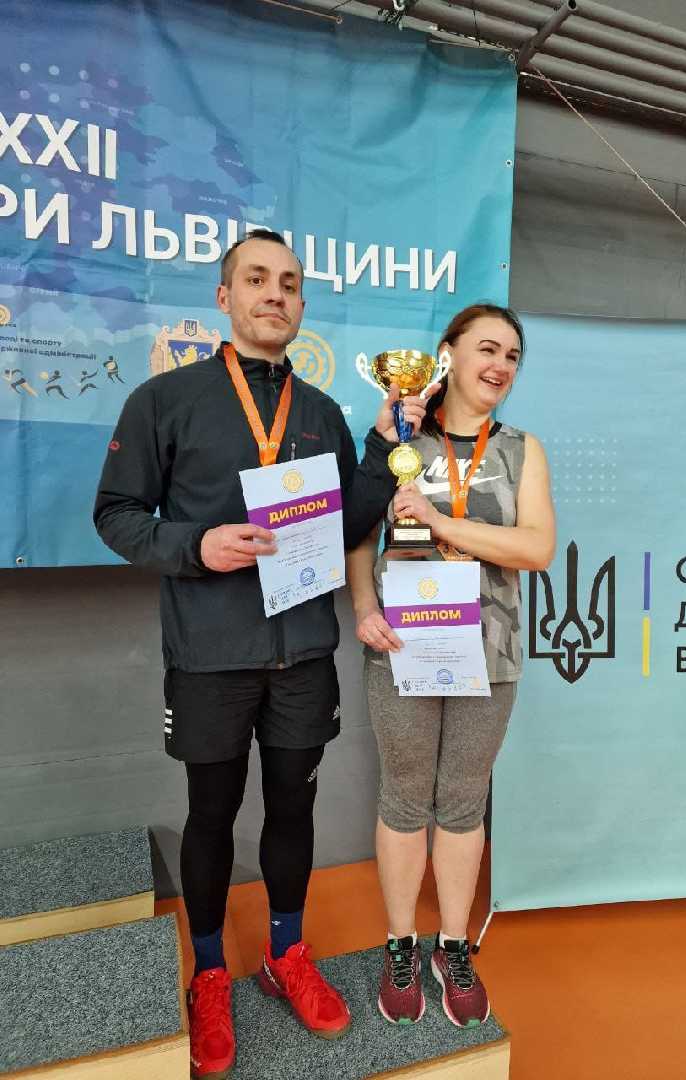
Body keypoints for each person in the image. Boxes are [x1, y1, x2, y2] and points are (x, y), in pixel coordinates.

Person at [94, 229, 431, 1078]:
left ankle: (286, 952)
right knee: (211, 815)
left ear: (302, 304)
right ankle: (210, 972)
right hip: (210, 655)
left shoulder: (319, 413)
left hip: (303, 654)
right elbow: (116, 513)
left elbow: (350, 522)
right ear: (225, 296)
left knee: (292, 811)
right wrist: (195, 546)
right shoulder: (165, 400)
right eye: (256, 279)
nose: (274, 294)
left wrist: (384, 450)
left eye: (288, 282)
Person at [347, 303, 555, 1029]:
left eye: (512, 356)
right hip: (403, 647)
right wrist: (364, 606)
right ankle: (401, 945)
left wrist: (443, 522)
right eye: (487, 349)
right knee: (405, 798)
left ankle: (454, 946)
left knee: (464, 802)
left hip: (489, 653)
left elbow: (536, 548)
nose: (500, 365)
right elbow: (358, 534)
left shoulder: (522, 449)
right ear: (448, 355)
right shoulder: (400, 437)